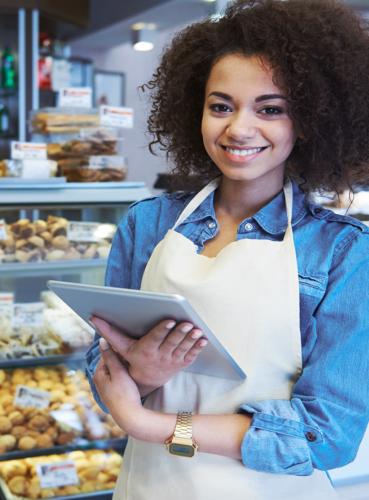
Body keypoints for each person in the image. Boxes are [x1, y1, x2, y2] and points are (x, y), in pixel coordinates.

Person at [85, 0, 369, 498]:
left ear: (307, 122)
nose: (238, 128)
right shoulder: (147, 223)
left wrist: (150, 423)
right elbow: (104, 364)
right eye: (221, 106)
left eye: (270, 109)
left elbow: (325, 435)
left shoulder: (342, 251)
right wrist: (143, 372)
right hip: (151, 485)